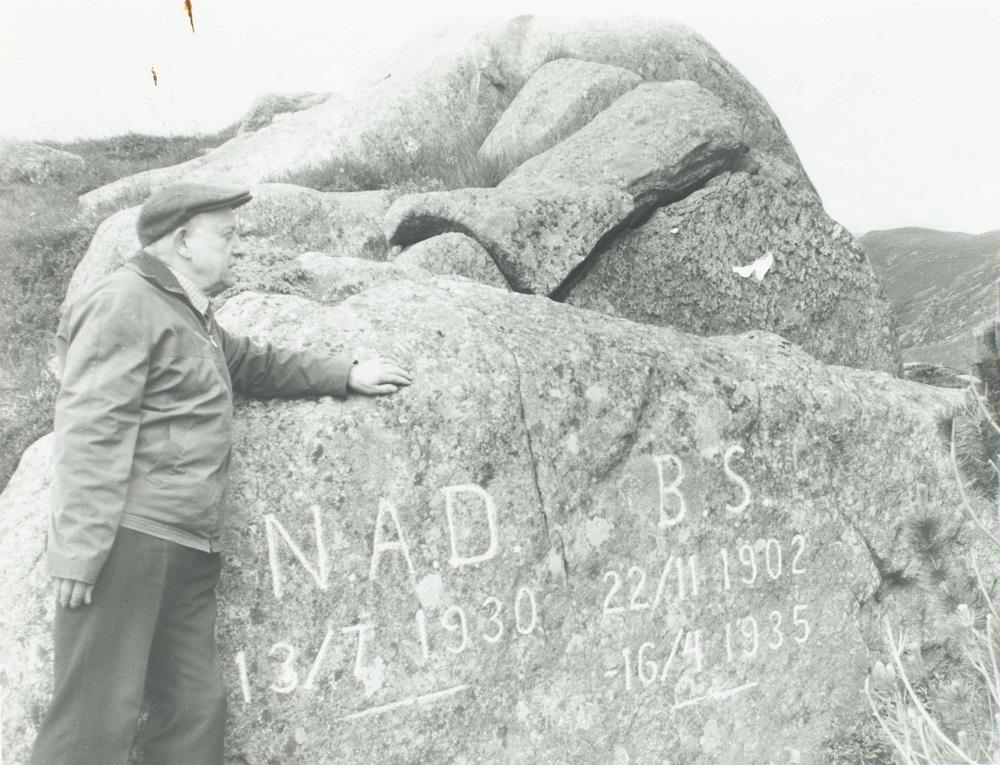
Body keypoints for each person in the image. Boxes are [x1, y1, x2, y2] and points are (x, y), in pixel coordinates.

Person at [30, 182, 413, 765]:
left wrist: (344, 372)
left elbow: (252, 363)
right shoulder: (122, 302)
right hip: (128, 546)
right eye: (227, 234)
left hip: (188, 544)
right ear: (183, 240)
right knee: (91, 727)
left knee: (194, 712)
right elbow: (89, 431)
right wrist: (79, 553)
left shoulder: (186, 312)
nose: (238, 246)